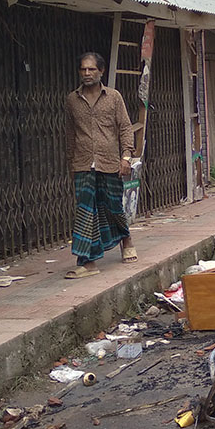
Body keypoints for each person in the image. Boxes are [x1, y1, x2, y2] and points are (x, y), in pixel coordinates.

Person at [64, 52, 137, 279]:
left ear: (101, 71)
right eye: (83, 69)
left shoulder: (114, 97)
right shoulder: (72, 100)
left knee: (113, 205)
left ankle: (126, 239)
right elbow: (70, 134)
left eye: (91, 69)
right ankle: (87, 261)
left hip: (109, 163)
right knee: (86, 210)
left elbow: (125, 127)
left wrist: (126, 157)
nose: (87, 73)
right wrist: (71, 163)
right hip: (83, 163)